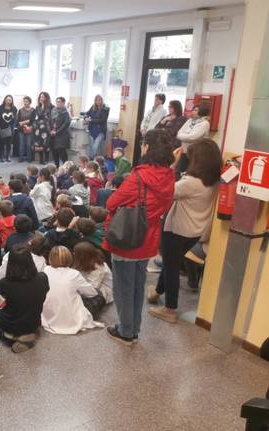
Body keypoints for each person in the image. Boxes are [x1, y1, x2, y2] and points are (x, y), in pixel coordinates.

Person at [103, 129, 175, 345]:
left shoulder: (139, 176)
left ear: (147, 148)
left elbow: (111, 203)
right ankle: (134, 328)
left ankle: (126, 331)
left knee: (123, 287)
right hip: (149, 236)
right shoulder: (169, 176)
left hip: (127, 237)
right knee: (137, 285)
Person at [148, 139, 222, 323]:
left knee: (171, 268)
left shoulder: (191, 182)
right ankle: (157, 292)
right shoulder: (213, 181)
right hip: (194, 232)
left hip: (177, 230)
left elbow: (165, 190)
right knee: (171, 262)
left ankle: (170, 309)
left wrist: (172, 165)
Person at [0, 244, 50, 353]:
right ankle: (23, 336)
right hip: (34, 322)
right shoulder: (43, 278)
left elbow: (3, 299)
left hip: (10, 323)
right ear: (30, 259)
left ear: (11, 262)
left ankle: (11, 337)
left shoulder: (5, 283)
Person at [41, 246, 101, 335]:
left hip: (48, 313)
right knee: (98, 295)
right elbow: (91, 293)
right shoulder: (74, 274)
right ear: (69, 258)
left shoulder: (45, 270)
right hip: (70, 316)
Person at [72, 241, 113, 317]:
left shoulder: (99, 268)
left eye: (75, 253)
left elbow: (93, 288)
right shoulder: (86, 263)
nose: (73, 254)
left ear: (82, 256)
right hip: (88, 287)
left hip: (103, 291)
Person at [176, 105, 211, 174]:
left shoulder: (204, 123)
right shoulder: (190, 120)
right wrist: (183, 136)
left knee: (190, 173)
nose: (193, 112)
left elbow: (192, 137)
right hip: (184, 150)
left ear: (202, 112)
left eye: (195, 110)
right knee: (180, 172)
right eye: (193, 110)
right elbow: (179, 132)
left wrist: (182, 136)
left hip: (195, 153)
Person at [50, 96, 71, 166]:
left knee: (62, 152)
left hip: (62, 135)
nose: (57, 103)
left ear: (63, 103)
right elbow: (50, 121)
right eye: (57, 102)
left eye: (59, 102)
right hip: (53, 135)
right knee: (54, 152)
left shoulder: (66, 113)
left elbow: (65, 125)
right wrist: (51, 130)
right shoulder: (53, 110)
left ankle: (67, 167)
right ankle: (57, 167)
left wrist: (57, 132)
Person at [16, 96, 37, 163]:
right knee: (21, 144)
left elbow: (32, 120)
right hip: (21, 129)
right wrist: (24, 124)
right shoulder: (20, 110)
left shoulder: (33, 110)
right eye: (24, 101)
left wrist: (24, 123)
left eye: (27, 101)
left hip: (29, 129)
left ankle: (29, 158)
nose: (25, 103)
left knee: (28, 144)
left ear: (30, 102)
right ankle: (21, 158)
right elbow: (18, 120)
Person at [35, 92, 53, 164]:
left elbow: (49, 117)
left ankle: (46, 159)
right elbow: (39, 116)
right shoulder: (38, 107)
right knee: (39, 143)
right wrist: (42, 106)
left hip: (47, 128)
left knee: (46, 144)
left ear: (46, 98)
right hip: (39, 128)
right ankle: (41, 158)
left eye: (42, 97)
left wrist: (43, 108)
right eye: (40, 97)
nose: (41, 98)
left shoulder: (51, 107)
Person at [0, 95, 17, 162]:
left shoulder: (14, 108)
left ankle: (8, 156)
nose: (8, 101)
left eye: (10, 100)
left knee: (9, 143)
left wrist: (13, 127)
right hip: (2, 127)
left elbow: (14, 119)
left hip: (10, 128)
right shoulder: (0, 107)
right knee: (2, 143)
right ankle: (2, 156)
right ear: (5, 100)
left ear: (11, 101)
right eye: (7, 99)